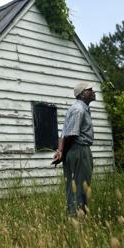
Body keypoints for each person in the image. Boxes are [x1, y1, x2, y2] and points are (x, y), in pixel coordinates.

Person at [51, 82, 96, 216]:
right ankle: (78, 218)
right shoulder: (79, 110)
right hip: (79, 150)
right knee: (82, 186)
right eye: (90, 90)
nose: (94, 92)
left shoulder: (76, 108)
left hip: (75, 149)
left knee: (74, 186)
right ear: (82, 94)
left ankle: (74, 215)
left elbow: (64, 133)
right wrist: (63, 154)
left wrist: (60, 151)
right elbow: (71, 135)